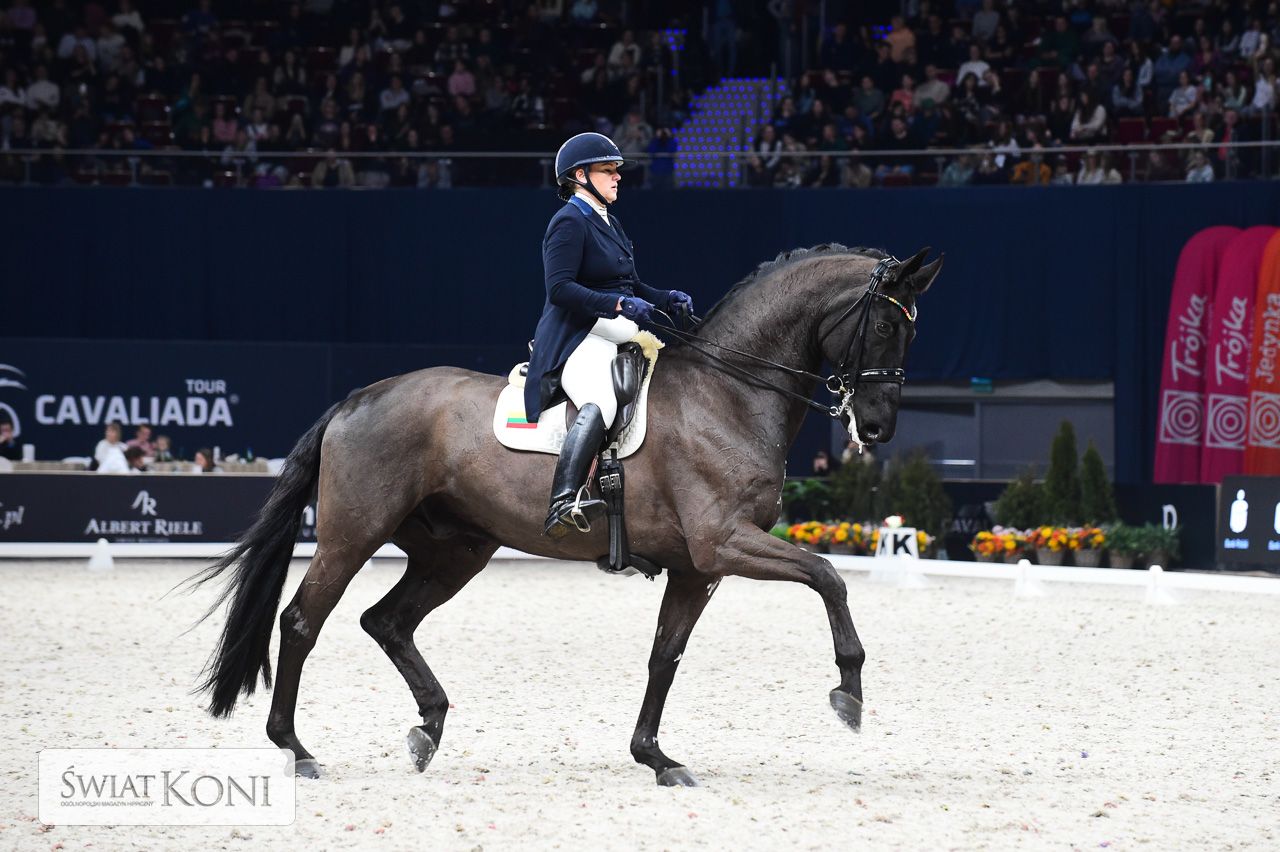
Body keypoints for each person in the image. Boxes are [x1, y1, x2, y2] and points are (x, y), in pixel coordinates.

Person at [525, 132, 693, 538]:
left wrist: (664, 297)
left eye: (617, 170)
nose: (618, 177)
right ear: (580, 176)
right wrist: (617, 304)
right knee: (600, 400)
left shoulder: (609, 221)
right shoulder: (568, 221)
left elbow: (630, 284)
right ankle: (563, 500)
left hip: (615, 333)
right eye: (608, 170)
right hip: (579, 336)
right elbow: (560, 289)